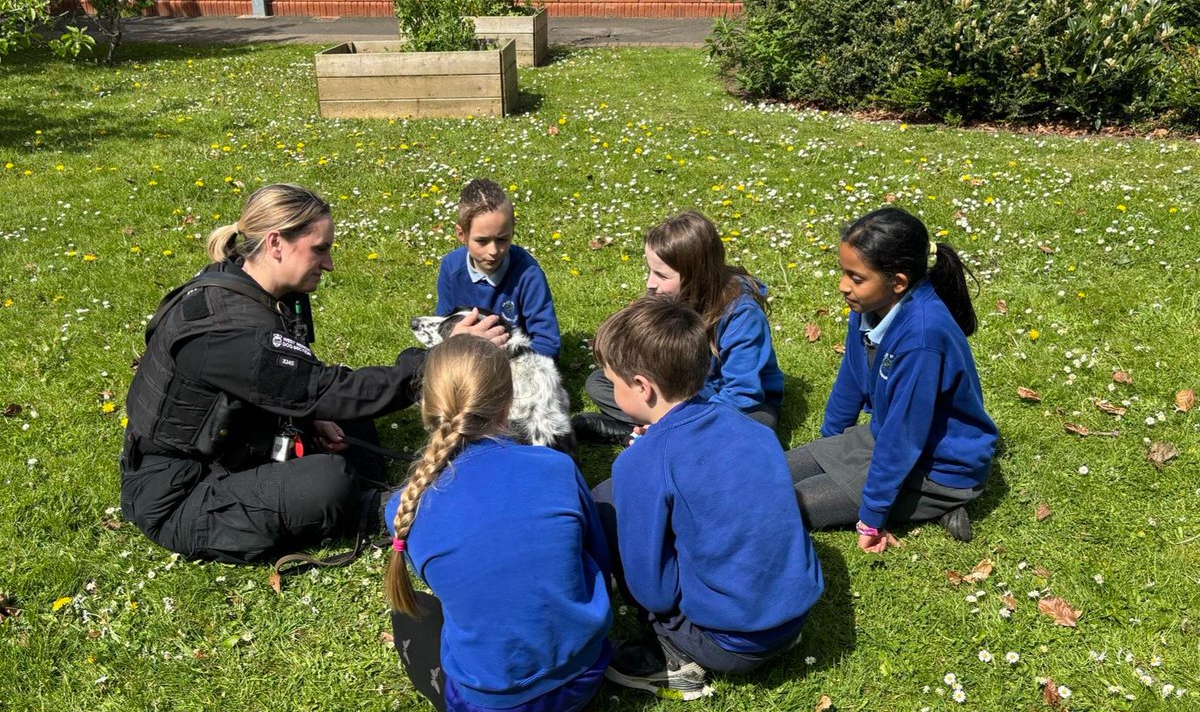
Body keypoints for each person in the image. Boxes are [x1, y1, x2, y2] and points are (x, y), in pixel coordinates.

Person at [120, 183, 505, 565]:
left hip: (233, 445)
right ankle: (371, 507)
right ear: (275, 244)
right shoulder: (229, 330)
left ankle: (350, 486)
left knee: (351, 421)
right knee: (330, 480)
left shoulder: (256, 285)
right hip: (181, 494)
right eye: (319, 249)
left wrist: (310, 415)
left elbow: (302, 383)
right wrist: (439, 355)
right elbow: (328, 389)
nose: (330, 263)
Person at [384, 334, 624, 712]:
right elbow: (597, 557)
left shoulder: (404, 507)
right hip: (589, 673)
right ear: (509, 399)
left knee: (411, 616)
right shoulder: (557, 468)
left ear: (425, 406)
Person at [590, 296, 824, 700]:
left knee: (605, 508)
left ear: (643, 387)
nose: (610, 389)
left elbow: (655, 593)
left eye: (613, 381)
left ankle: (675, 656)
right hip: (796, 616)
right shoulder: (754, 430)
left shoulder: (639, 464)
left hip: (730, 642)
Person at [785, 206, 998, 550]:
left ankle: (941, 502)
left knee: (783, 505)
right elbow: (850, 379)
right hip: (883, 437)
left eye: (855, 278)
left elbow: (904, 435)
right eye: (843, 273)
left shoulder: (922, 339)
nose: (843, 286)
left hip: (938, 467)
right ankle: (918, 505)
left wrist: (871, 519)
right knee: (770, 473)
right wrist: (831, 447)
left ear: (897, 282)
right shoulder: (868, 306)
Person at [574, 210, 784, 443]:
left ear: (697, 277)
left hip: (733, 403)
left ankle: (650, 435)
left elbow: (743, 393)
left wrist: (681, 415)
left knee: (758, 423)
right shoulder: (668, 297)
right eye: (650, 271)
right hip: (681, 394)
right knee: (601, 382)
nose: (650, 283)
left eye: (662, 275)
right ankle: (662, 435)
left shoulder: (742, 315)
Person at [435, 178, 562, 360]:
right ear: (461, 234)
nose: (493, 251)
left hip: (513, 363)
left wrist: (499, 355)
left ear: (512, 230)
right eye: (482, 241)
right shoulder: (451, 267)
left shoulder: (528, 274)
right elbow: (443, 327)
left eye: (502, 239)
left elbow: (548, 343)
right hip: (465, 359)